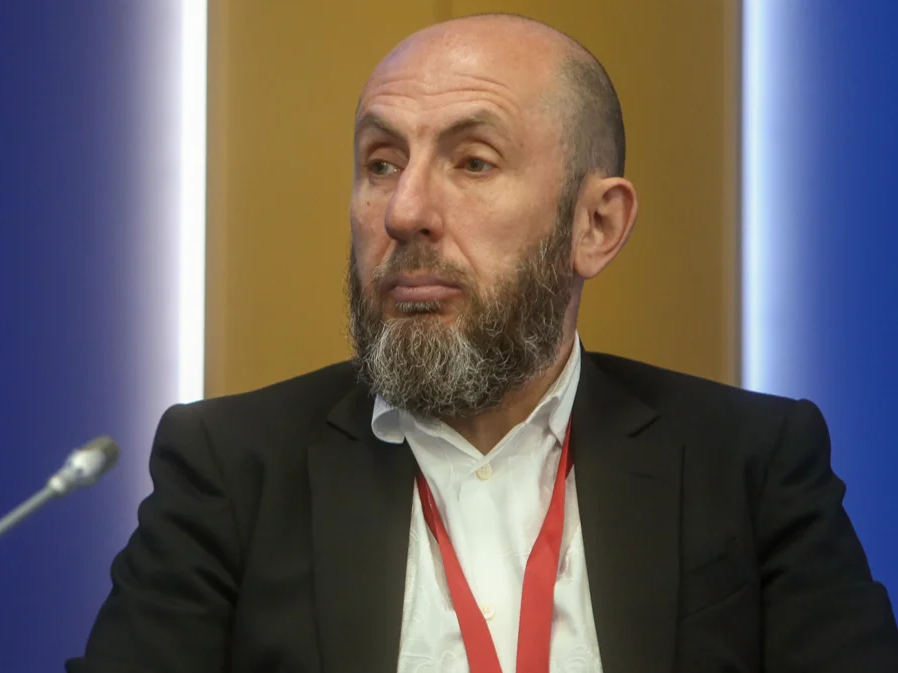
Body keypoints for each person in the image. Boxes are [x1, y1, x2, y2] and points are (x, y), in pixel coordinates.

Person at [67, 13, 898, 673]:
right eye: (381, 163)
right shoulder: (231, 469)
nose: (404, 212)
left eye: (472, 162)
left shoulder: (749, 462)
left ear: (596, 223)